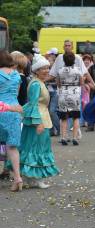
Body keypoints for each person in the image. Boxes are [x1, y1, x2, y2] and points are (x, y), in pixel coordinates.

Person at [7, 54, 60, 188]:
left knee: (33, 147)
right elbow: (34, 104)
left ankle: (30, 177)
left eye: (48, 68)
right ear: (36, 70)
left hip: (40, 117)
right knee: (36, 148)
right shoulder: (36, 84)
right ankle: (35, 178)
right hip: (38, 119)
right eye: (43, 68)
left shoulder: (39, 82)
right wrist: (38, 122)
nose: (46, 71)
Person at [0, 50, 23, 191]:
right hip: (14, 111)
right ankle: (18, 178)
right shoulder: (16, 76)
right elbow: (17, 94)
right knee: (12, 146)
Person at [57, 52, 83, 146]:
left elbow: (58, 84)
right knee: (76, 117)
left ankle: (63, 137)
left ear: (63, 60)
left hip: (63, 94)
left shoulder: (60, 70)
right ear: (74, 60)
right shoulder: (78, 70)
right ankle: (74, 138)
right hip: (75, 94)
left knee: (64, 117)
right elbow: (81, 83)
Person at [46, 48, 60, 136]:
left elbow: (59, 82)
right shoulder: (45, 67)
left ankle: (60, 129)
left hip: (55, 91)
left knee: (52, 111)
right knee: (47, 111)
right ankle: (51, 130)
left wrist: (48, 81)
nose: (50, 57)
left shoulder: (58, 67)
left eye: (51, 55)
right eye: (49, 55)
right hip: (47, 91)